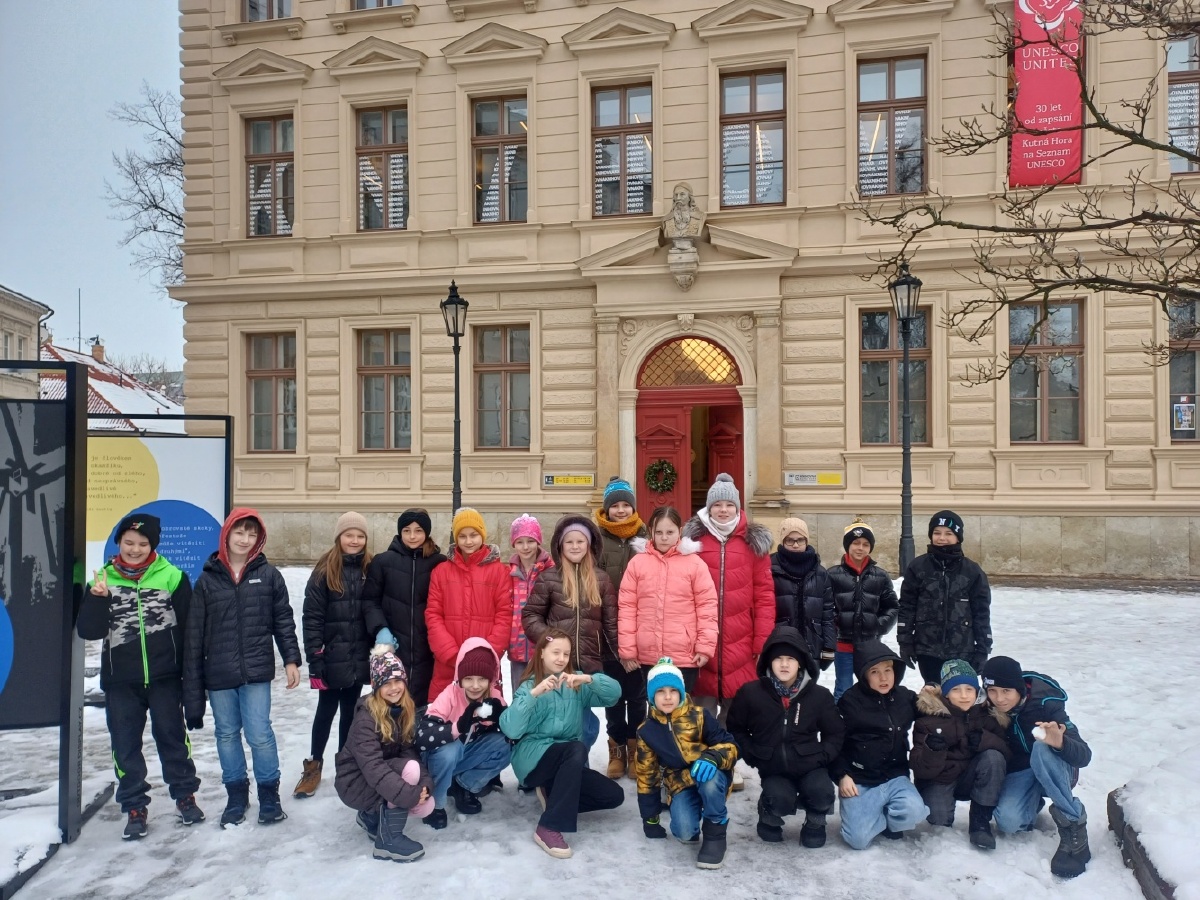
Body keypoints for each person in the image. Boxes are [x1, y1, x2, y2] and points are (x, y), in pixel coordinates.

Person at [77, 513, 202, 839]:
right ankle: (134, 806)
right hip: (121, 681)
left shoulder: (172, 577)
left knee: (172, 738)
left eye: (142, 544)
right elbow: (89, 631)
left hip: (164, 677)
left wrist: (190, 675)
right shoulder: (102, 579)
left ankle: (185, 796)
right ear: (118, 542)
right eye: (128, 542)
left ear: (153, 545)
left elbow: (189, 628)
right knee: (125, 745)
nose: (134, 549)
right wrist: (97, 599)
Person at [183, 508, 301, 828]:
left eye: (252, 533)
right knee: (226, 734)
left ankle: (269, 795)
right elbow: (194, 635)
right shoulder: (207, 580)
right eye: (239, 532)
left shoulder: (269, 576)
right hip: (219, 673)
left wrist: (291, 659)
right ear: (227, 535)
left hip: (256, 671)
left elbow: (283, 620)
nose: (245, 539)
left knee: (259, 733)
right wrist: (193, 681)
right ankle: (236, 795)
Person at [683, 473, 774, 791]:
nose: (723, 510)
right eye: (717, 505)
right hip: (703, 642)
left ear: (738, 507)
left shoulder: (753, 544)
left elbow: (764, 596)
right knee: (702, 709)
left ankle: (727, 763)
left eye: (729, 505)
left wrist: (762, 640)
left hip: (741, 641)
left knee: (734, 712)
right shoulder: (693, 542)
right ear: (709, 508)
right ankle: (703, 763)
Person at [499, 629, 624, 859]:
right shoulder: (529, 687)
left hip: (567, 763)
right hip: (533, 761)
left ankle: (553, 795)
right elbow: (511, 729)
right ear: (541, 653)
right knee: (576, 748)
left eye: (566, 654)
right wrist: (534, 694)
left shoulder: (575, 682)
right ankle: (548, 826)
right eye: (555, 652)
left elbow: (614, 695)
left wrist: (589, 679)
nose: (561, 659)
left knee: (613, 795)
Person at [727, 625, 843, 848]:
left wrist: (822, 756)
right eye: (778, 658)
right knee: (779, 798)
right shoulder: (750, 693)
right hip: (774, 768)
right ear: (769, 662)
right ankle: (769, 812)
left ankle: (815, 821)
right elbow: (736, 729)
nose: (784, 664)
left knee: (821, 792)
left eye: (790, 659)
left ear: (801, 663)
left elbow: (835, 732)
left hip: (811, 765)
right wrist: (755, 754)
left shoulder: (819, 695)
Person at [982, 656, 1093, 878]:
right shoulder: (988, 710)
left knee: (1042, 746)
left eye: (1006, 691)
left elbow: (1084, 756)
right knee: (1009, 822)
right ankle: (1031, 801)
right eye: (992, 691)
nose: (999, 699)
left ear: (1019, 689)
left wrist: (1060, 742)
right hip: (1022, 770)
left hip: (1056, 767)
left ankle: (1074, 828)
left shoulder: (1046, 704)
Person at [294, 512, 373, 799]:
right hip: (331, 657)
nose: (355, 540)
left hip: (358, 656)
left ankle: (345, 764)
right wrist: (315, 658)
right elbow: (312, 618)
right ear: (339, 537)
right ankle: (314, 765)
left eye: (360, 536)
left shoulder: (370, 569)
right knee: (326, 710)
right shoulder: (324, 570)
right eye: (349, 535)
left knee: (350, 712)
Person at [522, 515, 618, 751]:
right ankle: (557, 764)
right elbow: (531, 615)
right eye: (569, 542)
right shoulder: (549, 578)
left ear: (589, 544)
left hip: (586, 665)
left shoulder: (601, 579)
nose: (575, 546)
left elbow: (611, 623)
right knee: (560, 723)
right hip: (556, 666)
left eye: (580, 541)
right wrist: (551, 640)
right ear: (560, 546)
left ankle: (576, 764)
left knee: (586, 727)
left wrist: (618, 653)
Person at [635, 658, 738, 869]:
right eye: (660, 691)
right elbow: (647, 775)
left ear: (681, 693)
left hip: (709, 772)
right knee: (684, 833)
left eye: (673, 690)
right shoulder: (647, 731)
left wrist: (712, 757)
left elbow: (731, 746)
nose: (667, 697)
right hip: (680, 783)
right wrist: (650, 818)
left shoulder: (700, 716)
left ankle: (715, 832)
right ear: (651, 696)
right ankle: (694, 807)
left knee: (709, 784)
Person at [334, 648, 434, 863]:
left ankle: (371, 816)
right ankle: (388, 842)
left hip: (377, 778)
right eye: (386, 683)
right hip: (354, 783)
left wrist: (424, 786)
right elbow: (374, 768)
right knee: (410, 772)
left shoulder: (401, 710)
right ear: (376, 686)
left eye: (398, 681)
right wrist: (409, 794)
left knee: (427, 805)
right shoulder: (365, 720)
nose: (394, 688)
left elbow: (409, 751)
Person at [831, 640, 927, 850]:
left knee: (915, 810)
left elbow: (931, 716)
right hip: (860, 779)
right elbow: (834, 742)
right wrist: (842, 775)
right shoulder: (849, 703)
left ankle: (887, 819)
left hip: (895, 776)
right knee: (857, 840)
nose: (883, 678)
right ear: (864, 674)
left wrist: (934, 697)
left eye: (888, 670)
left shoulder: (905, 697)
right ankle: (869, 813)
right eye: (875, 672)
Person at [618, 505, 717, 696]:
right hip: (647, 654)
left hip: (684, 655)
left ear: (680, 531)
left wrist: (704, 647)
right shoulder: (637, 563)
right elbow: (627, 608)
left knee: (680, 706)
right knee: (655, 706)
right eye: (659, 532)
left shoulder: (695, 564)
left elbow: (707, 607)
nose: (664, 537)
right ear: (651, 532)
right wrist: (628, 650)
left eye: (670, 532)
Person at [910, 659, 1010, 848]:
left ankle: (980, 821)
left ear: (977, 691)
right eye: (956, 689)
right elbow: (919, 769)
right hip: (940, 779)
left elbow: (1006, 753)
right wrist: (932, 751)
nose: (964, 696)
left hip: (971, 777)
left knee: (994, 758)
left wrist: (985, 739)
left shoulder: (987, 715)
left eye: (969, 689)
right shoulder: (928, 719)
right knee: (938, 820)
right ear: (945, 693)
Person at [415, 639, 511, 828]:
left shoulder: (493, 696)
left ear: (490, 679)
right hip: (439, 760)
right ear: (460, 677)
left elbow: (512, 734)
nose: (475, 685)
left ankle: (463, 785)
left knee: (506, 744)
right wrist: (457, 728)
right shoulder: (450, 695)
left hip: (466, 755)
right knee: (451, 749)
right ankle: (435, 803)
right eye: (469, 679)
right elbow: (422, 737)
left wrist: (502, 718)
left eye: (482, 679)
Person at [361, 508, 447, 707]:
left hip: (427, 649)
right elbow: (370, 601)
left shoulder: (439, 563)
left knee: (424, 706)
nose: (412, 536)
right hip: (394, 646)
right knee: (393, 703)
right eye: (407, 530)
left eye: (418, 530)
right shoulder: (383, 562)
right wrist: (380, 629)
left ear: (427, 533)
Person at [593, 476, 649, 780]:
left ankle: (637, 748)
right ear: (607, 509)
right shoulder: (597, 540)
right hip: (607, 630)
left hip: (639, 629)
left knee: (637, 695)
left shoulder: (645, 537)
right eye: (615, 506)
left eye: (626, 504)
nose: (621, 510)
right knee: (612, 694)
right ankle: (616, 748)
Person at [898, 511, 993, 684]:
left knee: (958, 694)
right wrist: (905, 642)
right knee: (933, 695)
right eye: (937, 533)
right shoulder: (918, 567)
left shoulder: (972, 571)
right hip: (927, 650)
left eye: (948, 533)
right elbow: (907, 607)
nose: (942, 538)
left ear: (958, 537)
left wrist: (983, 649)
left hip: (962, 650)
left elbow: (981, 613)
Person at [425, 507, 511, 699]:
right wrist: (450, 653)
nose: (468, 541)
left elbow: (504, 616)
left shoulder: (499, 572)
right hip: (448, 662)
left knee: (484, 712)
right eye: (462, 536)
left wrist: (486, 654)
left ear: (482, 535)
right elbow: (433, 614)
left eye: (473, 535)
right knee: (445, 712)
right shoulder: (441, 572)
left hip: (484, 663)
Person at [827, 519, 899, 700]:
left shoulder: (880, 576)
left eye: (866, 544)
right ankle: (841, 716)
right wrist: (835, 623)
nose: (860, 548)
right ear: (848, 546)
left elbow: (891, 606)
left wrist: (879, 625)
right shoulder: (833, 575)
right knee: (843, 687)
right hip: (843, 645)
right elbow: (826, 606)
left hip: (870, 646)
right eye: (856, 543)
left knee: (871, 687)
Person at [770, 517, 835, 671]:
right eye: (790, 540)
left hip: (812, 646)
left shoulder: (820, 573)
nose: (795, 544)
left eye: (800, 540)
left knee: (808, 686)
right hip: (780, 647)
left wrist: (829, 647)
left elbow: (828, 613)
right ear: (783, 541)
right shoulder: (770, 569)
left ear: (806, 541)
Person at [507, 513, 552, 690]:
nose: (525, 547)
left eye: (530, 541)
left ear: (538, 542)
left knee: (545, 696)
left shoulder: (550, 571)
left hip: (543, 649)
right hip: (517, 649)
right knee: (520, 696)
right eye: (520, 542)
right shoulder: (508, 574)